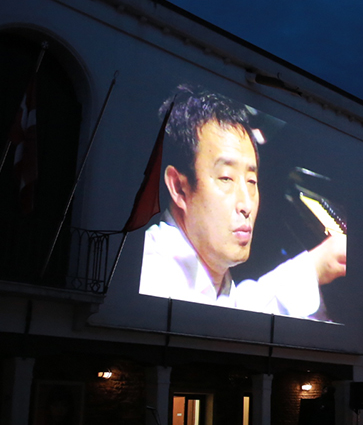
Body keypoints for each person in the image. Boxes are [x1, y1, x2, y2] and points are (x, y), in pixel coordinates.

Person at [139, 85, 347, 319]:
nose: (246, 205)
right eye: (226, 179)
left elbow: (238, 309)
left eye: (251, 180)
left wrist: (316, 266)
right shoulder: (150, 277)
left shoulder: (206, 274)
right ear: (179, 188)